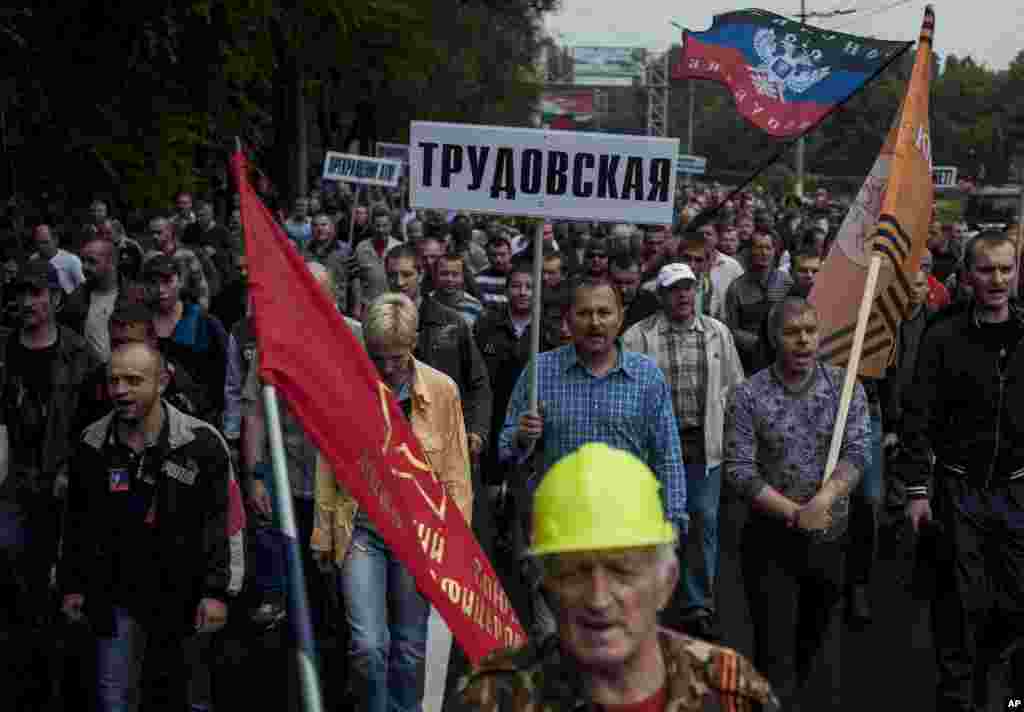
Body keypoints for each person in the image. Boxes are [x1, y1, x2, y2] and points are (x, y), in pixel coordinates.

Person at [447, 443, 778, 712]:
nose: (599, 598)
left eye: (623, 571)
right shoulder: (494, 699)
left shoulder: (732, 695)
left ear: (667, 582)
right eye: (575, 572)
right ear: (546, 588)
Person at [312, 292, 471, 712]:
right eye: (378, 357)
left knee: (410, 646)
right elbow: (328, 466)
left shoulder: (441, 391)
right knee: (367, 645)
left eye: (396, 358)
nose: (387, 368)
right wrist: (322, 533)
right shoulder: (346, 386)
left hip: (419, 533)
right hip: (361, 527)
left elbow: (455, 472)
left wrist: (456, 549)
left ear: (415, 343)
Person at [61, 342, 235, 712]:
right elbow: (76, 523)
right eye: (114, 381)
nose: (120, 391)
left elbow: (224, 524)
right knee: (114, 699)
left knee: (186, 700)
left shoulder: (202, 444)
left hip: (184, 601)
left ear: (163, 381)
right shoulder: (91, 444)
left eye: (133, 380)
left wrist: (217, 591)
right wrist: (72, 585)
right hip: (114, 597)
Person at [724, 298, 870, 708]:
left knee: (818, 633)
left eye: (809, 330)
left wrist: (823, 500)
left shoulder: (844, 389)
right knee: (771, 640)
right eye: (792, 332)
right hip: (769, 536)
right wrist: (794, 513)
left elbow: (858, 452)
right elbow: (739, 470)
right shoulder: (748, 395)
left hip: (830, 533)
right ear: (774, 338)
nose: (803, 340)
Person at [901, 232, 1024, 710]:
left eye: (1006, 270)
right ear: (969, 275)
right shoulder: (943, 337)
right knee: (957, 602)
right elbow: (917, 418)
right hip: (958, 491)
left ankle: (1006, 694)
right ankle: (956, 699)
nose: (997, 279)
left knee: (1015, 602)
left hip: (1016, 492)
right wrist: (916, 490)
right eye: (987, 269)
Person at [499, 278, 687, 534]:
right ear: (568, 320)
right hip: (560, 525)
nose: (595, 323)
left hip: (628, 522)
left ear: (620, 318)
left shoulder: (647, 376)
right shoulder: (539, 372)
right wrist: (522, 437)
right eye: (584, 313)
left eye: (604, 313)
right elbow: (506, 448)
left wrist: (673, 519)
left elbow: (667, 455)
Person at [623, 263, 745, 642]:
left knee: (704, 519)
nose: (683, 296)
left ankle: (698, 603)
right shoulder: (637, 337)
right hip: (658, 444)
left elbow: (736, 387)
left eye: (689, 288)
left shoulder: (717, 333)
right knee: (657, 522)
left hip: (703, 440)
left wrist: (736, 440)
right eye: (675, 289)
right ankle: (655, 599)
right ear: (661, 296)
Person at [0, 260, 102, 705]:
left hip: (66, 485)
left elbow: (98, 425)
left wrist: (72, 471)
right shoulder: (4, 351)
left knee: (68, 585)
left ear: (56, 299)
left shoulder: (80, 354)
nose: (28, 302)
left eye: (36, 293)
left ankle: (65, 681)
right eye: (21, 294)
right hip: (14, 483)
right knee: (18, 576)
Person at [724, 231, 793, 375]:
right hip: (749, 362)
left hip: (783, 358)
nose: (763, 252)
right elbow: (731, 330)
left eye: (768, 248)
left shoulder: (786, 283)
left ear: (775, 251)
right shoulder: (736, 288)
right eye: (758, 247)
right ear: (749, 251)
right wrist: (758, 343)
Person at [61, 231, 121, 361]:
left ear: (112, 263)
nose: (84, 266)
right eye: (83, 260)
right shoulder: (77, 296)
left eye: (92, 261)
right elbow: (63, 328)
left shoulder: (134, 295)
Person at [432, 249, 484, 326]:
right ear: (435, 275)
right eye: (444, 274)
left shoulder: (475, 307)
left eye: (455, 274)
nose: (450, 279)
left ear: (463, 277)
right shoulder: (424, 303)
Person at [31, 223, 85, 294]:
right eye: (38, 243)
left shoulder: (71, 260)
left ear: (55, 240)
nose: (41, 247)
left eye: (45, 242)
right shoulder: (33, 259)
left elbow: (82, 287)